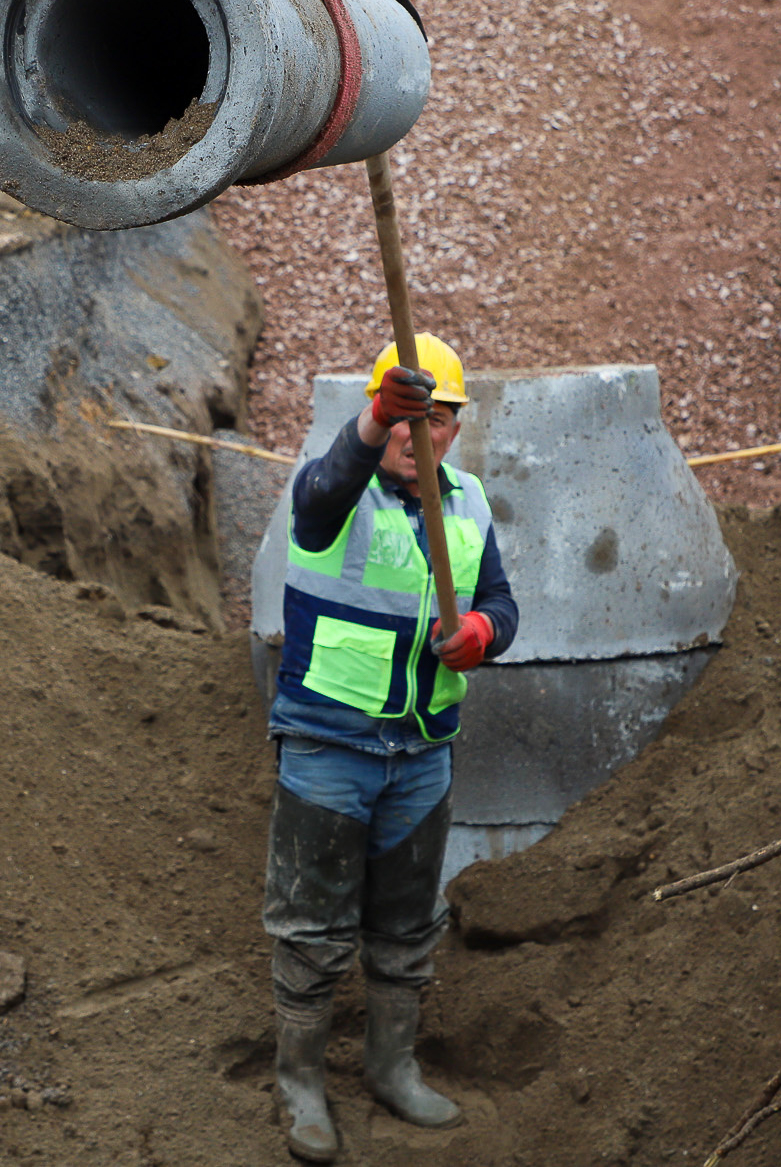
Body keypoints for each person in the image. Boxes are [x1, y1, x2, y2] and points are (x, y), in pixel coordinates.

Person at [264, 333, 518, 1163]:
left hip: (421, 753)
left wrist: (483, 631)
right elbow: (320, 493)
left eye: (436, 418)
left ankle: (390, 1065)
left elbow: (502, 603)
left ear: (454, 426)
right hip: (328, 744)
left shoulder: (470, 504)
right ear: (381, 415)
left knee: (407, 923)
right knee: (312, 923)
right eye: (405, 417)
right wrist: (376, 417)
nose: (421, 434)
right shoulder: (338, 492)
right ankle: (300, 1082)